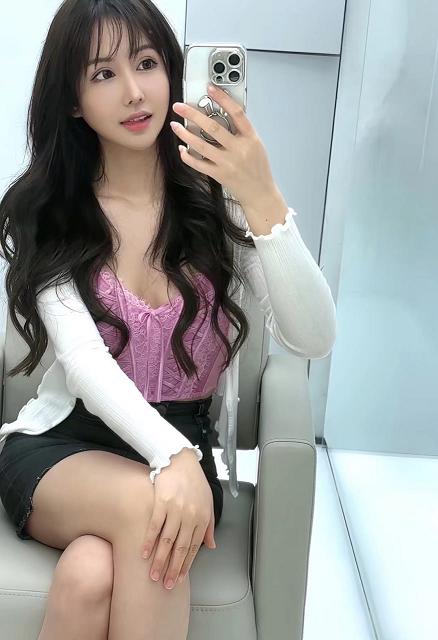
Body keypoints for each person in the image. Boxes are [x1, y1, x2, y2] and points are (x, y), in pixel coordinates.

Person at [0, 1, 337, 638]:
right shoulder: (54, 212)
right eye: (103, 74)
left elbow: (314, 336)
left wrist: (260, 193)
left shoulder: (216, 200)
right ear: (72, 100)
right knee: (150, 512)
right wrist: (175, 456)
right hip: (64, 447)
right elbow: (85, 364)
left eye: (148, 63)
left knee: (88, 574)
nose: (134, 92)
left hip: (180, 449)